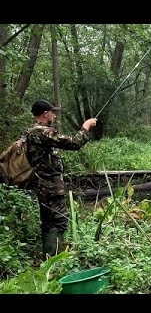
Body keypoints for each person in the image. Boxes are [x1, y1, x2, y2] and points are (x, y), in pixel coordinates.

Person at [26, 99, 97, 260]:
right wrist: (86, 126)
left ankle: (49, 259)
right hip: (49, 186)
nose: (55, 116)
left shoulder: (31, 131)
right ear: (45, 114)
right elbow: (74, 143)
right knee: (58, 221)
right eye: (52, 112)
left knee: (49, 222)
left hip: (43, 185)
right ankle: (54, 261)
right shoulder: (42, 132)